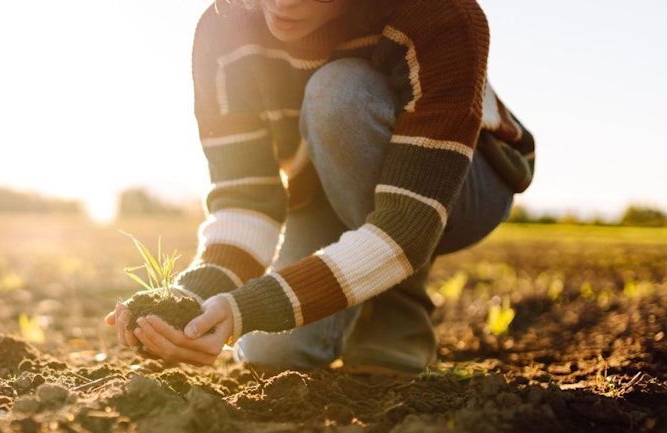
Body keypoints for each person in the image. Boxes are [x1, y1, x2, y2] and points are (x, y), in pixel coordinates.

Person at [106, 0, 535, 373]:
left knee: (337, 95)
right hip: (320, 187)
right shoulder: (223, 29)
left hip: (458, 183)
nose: (282, 4)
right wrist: (184, 302)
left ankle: (398, 308)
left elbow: (407, 227)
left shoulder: (442, 15)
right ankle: (361, 276)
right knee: (269, 351)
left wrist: (246, 307)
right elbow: (246, 203)